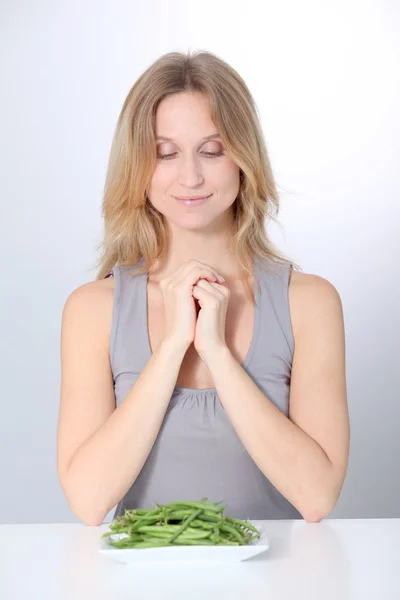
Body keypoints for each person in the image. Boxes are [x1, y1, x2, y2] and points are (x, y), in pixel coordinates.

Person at [57, 50, 350, 526]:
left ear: (243, 159)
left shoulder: (309, 302)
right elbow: (88, 501)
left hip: (282, 585)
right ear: (138, 165)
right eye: (165, 153)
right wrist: (173, 346)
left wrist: (215, 351)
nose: (190, 176)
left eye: (213, 151)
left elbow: (317, 496)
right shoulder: (93, 309)